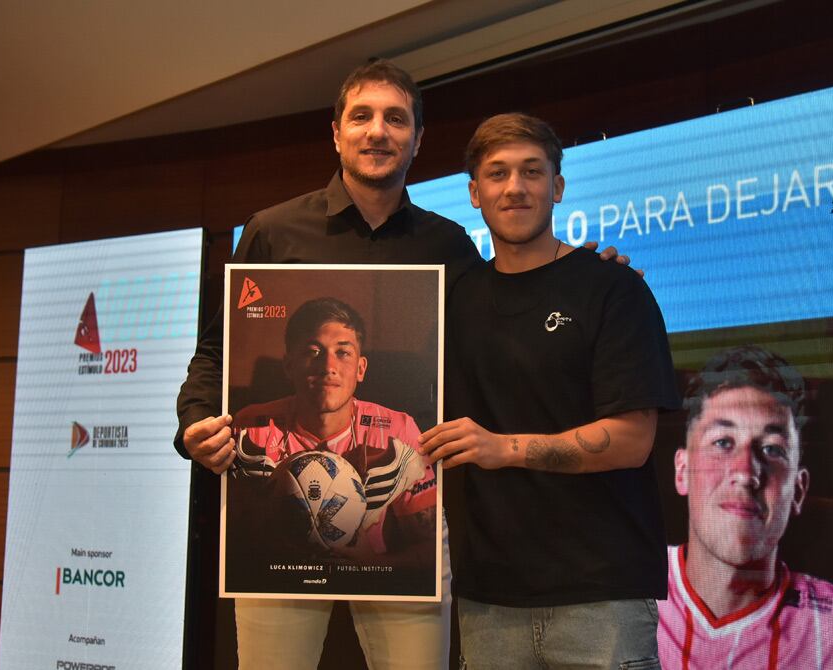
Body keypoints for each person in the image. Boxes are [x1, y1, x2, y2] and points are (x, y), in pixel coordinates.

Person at [175, 61, 630, 670]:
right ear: (335, 132)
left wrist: (585, 277)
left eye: (396, 118)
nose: (377, 131)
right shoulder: (271, 232)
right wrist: (195, 424)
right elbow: (215, 353)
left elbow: (508, 325)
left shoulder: (450, 247)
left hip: (410, 523)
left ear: (417, 139)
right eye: (361, 116)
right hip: (273, 537)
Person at [418, 113, 678, 669]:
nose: (515, 187)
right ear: (474, 194)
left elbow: (632, 440)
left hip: (601, 597)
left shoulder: (612, 289)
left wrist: (502, 447)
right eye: (498, 174)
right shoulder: (453, 302)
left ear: (557, 187)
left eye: (532, 172)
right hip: (487, 599)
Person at [662, 345, 833, 669]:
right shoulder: (618, 595)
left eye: (772, 450)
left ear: (799, 490)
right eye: (723, 443)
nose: (746, 473)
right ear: (682, 471)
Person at [230, 297, 433, 566]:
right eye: (313, 352)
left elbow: (431, 548)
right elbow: (231, 541)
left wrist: (372, 564)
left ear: (360, 368)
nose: (327, 367)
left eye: (343, 352)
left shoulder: (397, 431)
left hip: (373, 583)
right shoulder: (250, 428)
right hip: (281, 584)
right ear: (289, 366)